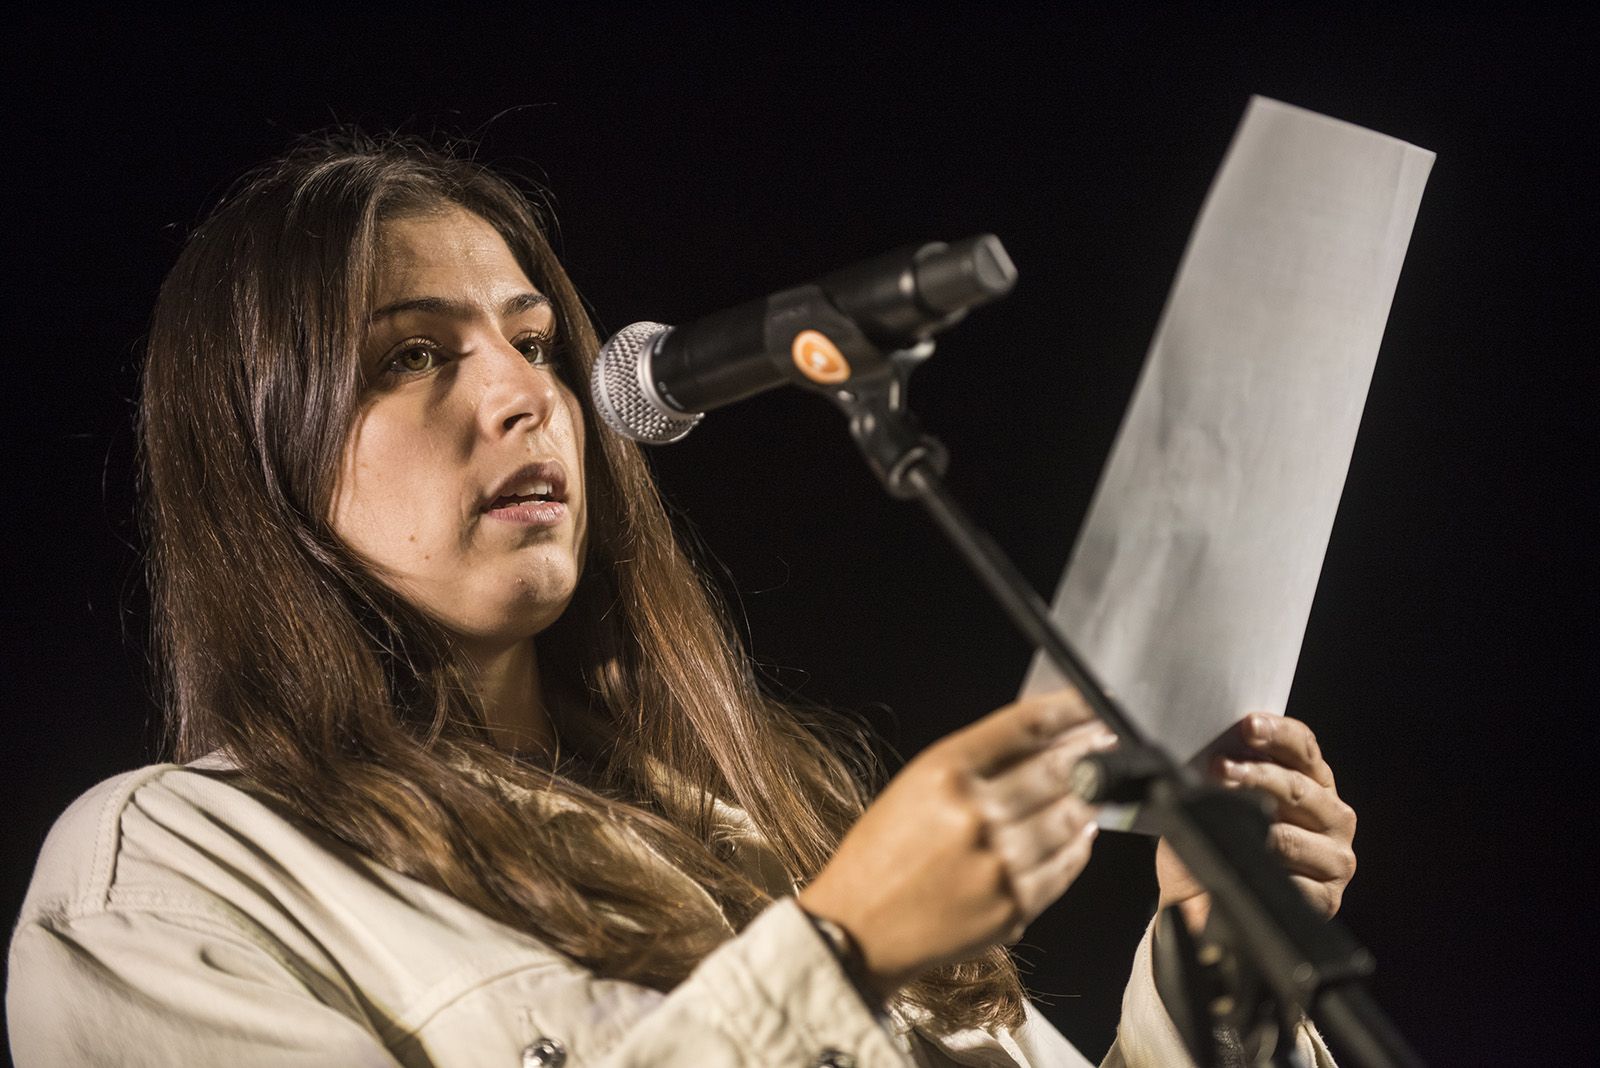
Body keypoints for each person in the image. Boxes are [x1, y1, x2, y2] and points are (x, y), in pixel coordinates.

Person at [6, 134, 1358, 1066]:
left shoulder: (751, 822)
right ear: (258, 460)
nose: (526, 392)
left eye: (536, 341)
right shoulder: (171, 875)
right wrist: (835, 958)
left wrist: (1215, 955)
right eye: (412, 356)